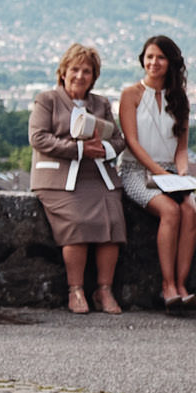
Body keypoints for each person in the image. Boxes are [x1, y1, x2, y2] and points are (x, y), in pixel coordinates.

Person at [28, 44, 126, 314]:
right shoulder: (46, 100)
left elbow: (118, 140)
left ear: (94, 76)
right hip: (58, 178)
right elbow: (38, 138)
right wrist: (80, 149)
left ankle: (104, 290)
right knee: (79, 222)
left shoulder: (101, 103)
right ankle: (76, 290)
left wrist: (102, 149)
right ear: (63, 72)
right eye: (75, 69)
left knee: (113, 220)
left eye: (87, 71)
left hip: (96, 176)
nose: (80, 76)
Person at [118, 34, 196, 308]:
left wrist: (181, 174)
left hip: (170, 173)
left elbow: (182, 149)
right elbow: (132, 142)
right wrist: (159, 174)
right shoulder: (130, 95)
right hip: (136, 171)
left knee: (190, 210)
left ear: (170, 62)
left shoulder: (181, 99)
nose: (154, 62)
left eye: (160, 57)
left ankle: (182, 283)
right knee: (171, 211)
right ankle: (167, 285)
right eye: (149, 57)